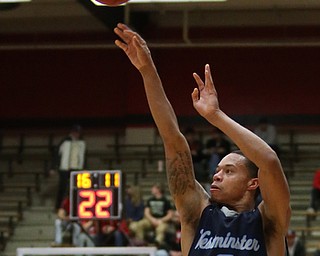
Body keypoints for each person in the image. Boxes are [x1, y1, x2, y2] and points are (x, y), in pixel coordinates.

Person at [114, 23, 291, 255]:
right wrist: (148, 71)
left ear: (253, 183)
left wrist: (216, 116)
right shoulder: (196, 214)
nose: (216, 175)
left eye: (229, 171)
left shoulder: (269, 221)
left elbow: (268, 161)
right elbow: (173, 141)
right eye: (218, 170)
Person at [51, 125, 86, 210]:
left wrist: (84, 167)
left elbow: (83, 156)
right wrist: (53, 167)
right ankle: (59, 206)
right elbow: (57, 154)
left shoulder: (81, 143)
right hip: (65, 168)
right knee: (62, 188)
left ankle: (72, 206)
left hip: (76, 168)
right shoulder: (65, 141)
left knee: (75, 188)